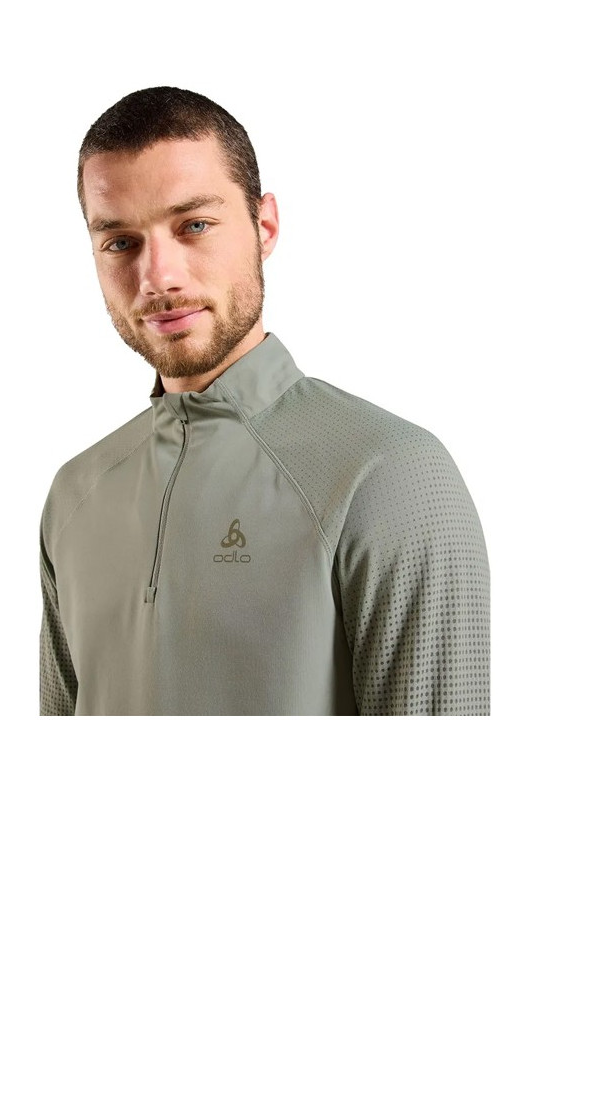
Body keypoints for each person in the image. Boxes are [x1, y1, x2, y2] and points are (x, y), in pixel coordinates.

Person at [39, 87, 490, 715]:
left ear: (265, 225)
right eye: (120, 242)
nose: (158, 277)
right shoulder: (75, 494)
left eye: (194, 226)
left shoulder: (392, 475)